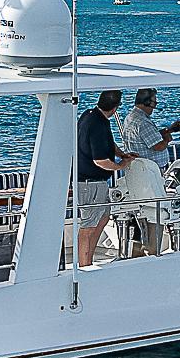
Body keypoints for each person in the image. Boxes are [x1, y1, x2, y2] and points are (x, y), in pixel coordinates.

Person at [74, 89, 132, 266]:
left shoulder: (91, 115)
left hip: (96, 183)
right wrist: (121, 166)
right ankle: (84, 266)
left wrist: (122, 154)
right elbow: (100, 161)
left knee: (103, 217)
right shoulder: (97, 124)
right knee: (88, 225)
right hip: (90, 183)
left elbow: (108, 141)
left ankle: (88, 259)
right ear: (115, 108)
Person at [118, 87, 180, 168]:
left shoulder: (130, 117)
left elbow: (147, 137)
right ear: (147, 102)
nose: (155, 106)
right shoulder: (143, 121)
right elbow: (158, 146)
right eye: (155, 103)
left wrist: (169, 130)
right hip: (150, 170)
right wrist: (167, 139)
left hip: (139, 168)